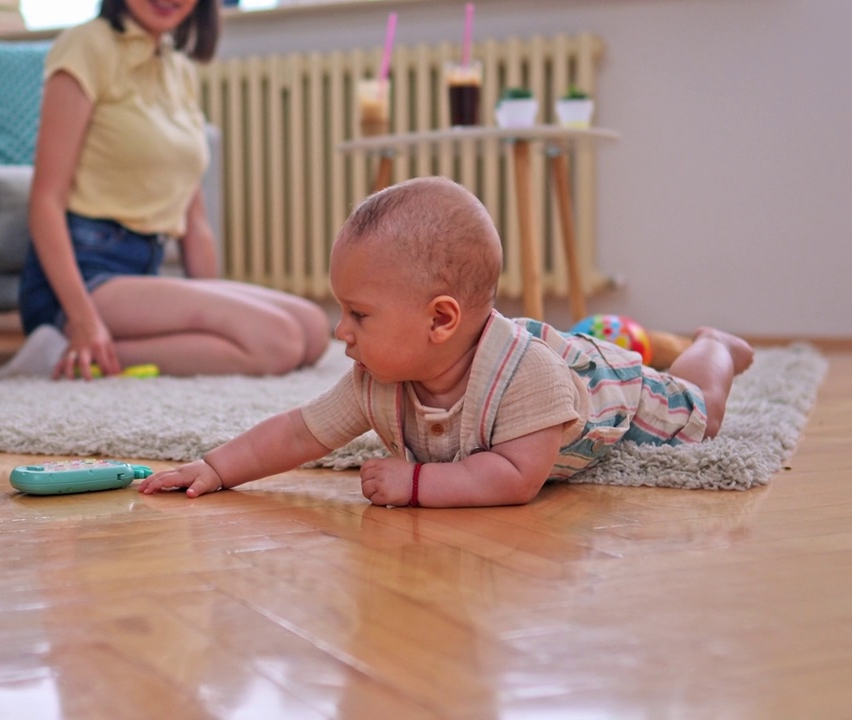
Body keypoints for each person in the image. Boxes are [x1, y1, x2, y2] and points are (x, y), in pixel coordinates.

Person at [139, 177, 755, 507]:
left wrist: (418, 485)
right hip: (557, 359)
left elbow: (517, 476)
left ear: (440, 321)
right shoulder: (379, 378)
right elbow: (300, 432)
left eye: (358, 313)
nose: (340, 331)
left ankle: (715, 345)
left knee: (699, 411)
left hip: (603, 391)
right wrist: (216, 468)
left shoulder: (526, 378)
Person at [0, 0, 330, 381]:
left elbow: (195, 219)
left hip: (141, 271)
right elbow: (45, 201)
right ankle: (61, 351)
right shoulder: (86, 46)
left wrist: (219, 305)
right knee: (276, 342)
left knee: (313, 329)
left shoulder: (178, 68)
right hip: (82, 276)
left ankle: (92, 353)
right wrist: (83, 318)